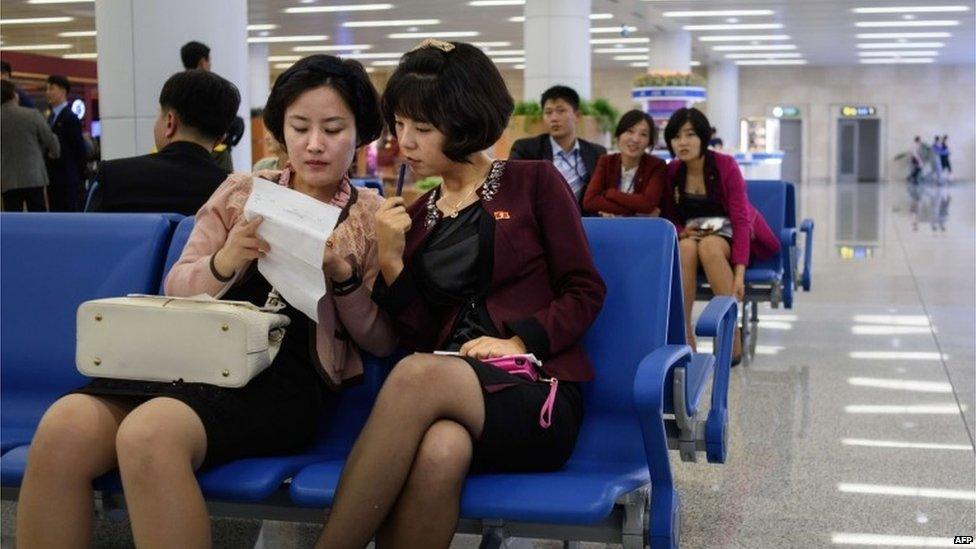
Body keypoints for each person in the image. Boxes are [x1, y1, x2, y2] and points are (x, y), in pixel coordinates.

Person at [16, 54, 396, 548]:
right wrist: (227, 259)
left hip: (283, 377)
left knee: (150, 433)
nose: (314, 144)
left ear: (359, 134)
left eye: (333, 128)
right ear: (280, 128)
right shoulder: (240, 190)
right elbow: (177, 286)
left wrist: (342, 277)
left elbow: (381, 338)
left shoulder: (370, 215)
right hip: (192, 355)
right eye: (300, 126)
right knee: (63, 427)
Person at [315, 40, 606, 548]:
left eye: (422, 129)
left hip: (535, 389)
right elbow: (423, 331)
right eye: (399, 125)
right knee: (441, 451)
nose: (405, 142)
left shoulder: (531, 182)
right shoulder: (420, 212)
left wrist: (519, 341)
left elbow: (583, 289)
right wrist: (390, 262)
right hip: (451, 395)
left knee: (417, 372)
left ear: (466, 123)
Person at [660, 107, 779, 363]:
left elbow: (741, 218)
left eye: (690, 134)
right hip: (693, 234)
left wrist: (739, 275)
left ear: (703, 137)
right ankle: (684, 333)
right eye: (676, 136)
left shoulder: (725, 165)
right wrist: (682, 232)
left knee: (709, 247)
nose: (682, 142)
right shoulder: (672, 172)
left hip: (729, 234)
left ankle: (730, 331)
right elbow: (670, 216)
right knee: (687, 248)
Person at [87, 70, 239, 215]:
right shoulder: (234, 192)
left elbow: (84, 235)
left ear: (170, 123)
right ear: (220, 139)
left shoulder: (112, 176)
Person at [508, 85, 607, 212]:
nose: (554, 118)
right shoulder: (526, 149)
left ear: (577, 115)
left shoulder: (596, 153)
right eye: (548, 112)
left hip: (584, 224)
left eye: (561, 111)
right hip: (540, 222)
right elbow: (513, 186)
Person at [583, 109, 666, 217]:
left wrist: (610, 193)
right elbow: (589, 202)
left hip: (641, 230)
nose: (635, 139)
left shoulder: (657, 165)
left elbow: (648, 204)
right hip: (609, 228)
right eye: (630, 131)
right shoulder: (606, 161)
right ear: (618, 135)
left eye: (643, 134)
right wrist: (636, 211)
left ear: (649, 142)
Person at [181, 40, 244, 172]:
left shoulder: (177, 88)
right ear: (202, 62)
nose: (210, 64)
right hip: (213, 152)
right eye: (209, 61)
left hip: (184, 154)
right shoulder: (211, 87)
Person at [1, 80, 59, 211]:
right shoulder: (32, 115)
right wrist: (54, 153)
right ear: (14, 95)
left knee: (13, 220)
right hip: (34, 177)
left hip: (7, 179)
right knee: (38, 219)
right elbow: (50, 140)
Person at [44, 74, 88, 212]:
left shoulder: (70, 117)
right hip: (53, 178)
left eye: (52, 88)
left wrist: (78, 175)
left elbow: (79, 149)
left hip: (68, 179)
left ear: (63, 91)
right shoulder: (50, 117)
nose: (48, 93)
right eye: (47, 89)